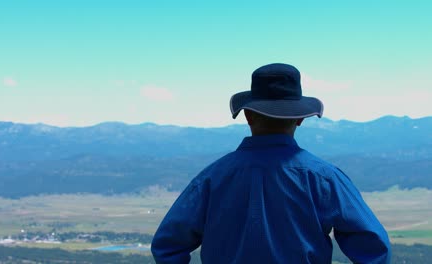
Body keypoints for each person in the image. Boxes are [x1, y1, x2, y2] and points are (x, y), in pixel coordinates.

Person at [151, 63, 391, 263]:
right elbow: (375, 249)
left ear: (247, 115)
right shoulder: (324, 179)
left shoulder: (212, 178)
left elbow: (167, 246)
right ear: (299, 119)